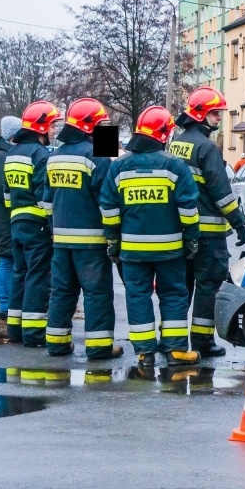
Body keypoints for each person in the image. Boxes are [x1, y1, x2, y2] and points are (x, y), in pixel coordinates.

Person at [100, 106, 201, 367]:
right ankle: (176, 350)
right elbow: (188, 209)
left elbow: (109, 208)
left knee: (137, 296)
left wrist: (112, 240)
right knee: (174, 295)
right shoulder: (174, 166)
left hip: (132, 250)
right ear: (164, 134)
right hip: (170, 250)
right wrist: (192, 238)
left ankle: (145, 352)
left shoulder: (119, 166)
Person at [169, 87, 245, 357]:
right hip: (208, 235)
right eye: (215, 114)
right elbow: (221, 193)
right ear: (201, 114)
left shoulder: (175, 143)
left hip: (179, 232)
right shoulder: (207, 148)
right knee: (207, 288)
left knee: (180, 289)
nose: (218, 119)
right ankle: (202, 343)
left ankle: (173, 343)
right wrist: (238, 222)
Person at [42, 98, 122, 359]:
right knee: (96, 293)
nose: (105, 128)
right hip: (91, 241)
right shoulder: (97, 153)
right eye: (101, 124)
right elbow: (107, 199)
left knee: (62, 291)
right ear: (90, 127)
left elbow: (46, 201)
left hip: (61, 239)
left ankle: (57, 343)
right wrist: (113, 235)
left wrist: (55, 228)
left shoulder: (55, 156)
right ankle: (99, 347)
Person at [3, 101, 62, 346]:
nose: (52, 132)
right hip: (36, 223)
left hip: (16, 222)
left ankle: (14, 329)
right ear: (41, 127)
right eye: (51, 126)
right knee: (38, 276)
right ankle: (34, 333)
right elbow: (43, 195)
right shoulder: (39, 155)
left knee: (20, 273)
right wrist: (51, 225)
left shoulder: (12, 153)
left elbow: (7, 194)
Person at [0, 116, 21, 321]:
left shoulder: (4, 153)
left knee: (8, 259)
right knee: (6, 259)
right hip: (4, 216)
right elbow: (5, 191)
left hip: (3, 215)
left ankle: (7, 304)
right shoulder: (4, 156)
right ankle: (5, 305)